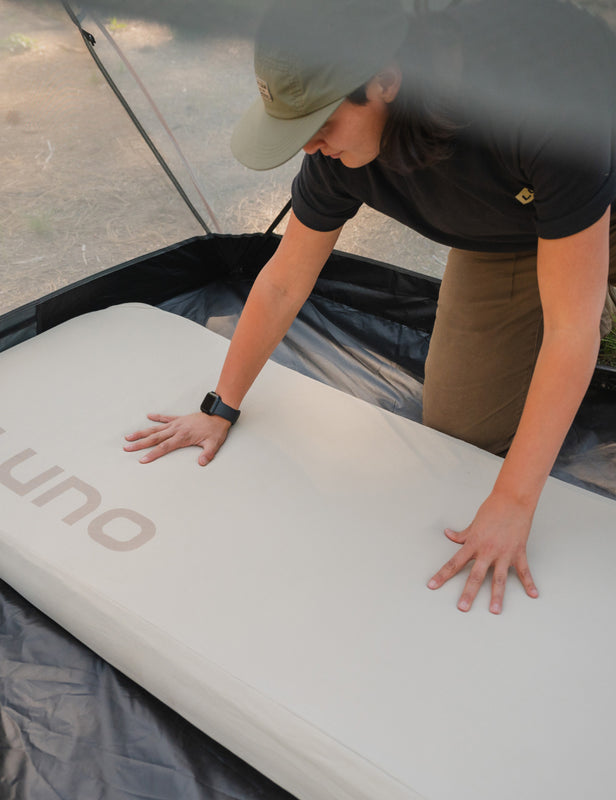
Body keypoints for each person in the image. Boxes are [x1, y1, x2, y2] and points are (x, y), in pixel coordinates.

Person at [124, 0, 616, 614]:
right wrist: (220, 406)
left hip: (592, 174)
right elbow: (283, 282)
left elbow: (570, 328)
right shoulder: (332, 156)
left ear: (386, 80)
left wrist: (512, 505)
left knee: (576, 315)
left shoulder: (529, 102)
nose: (309, 144)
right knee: (461, 432)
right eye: (295, 126)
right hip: (511, 238)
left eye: (321, 123)